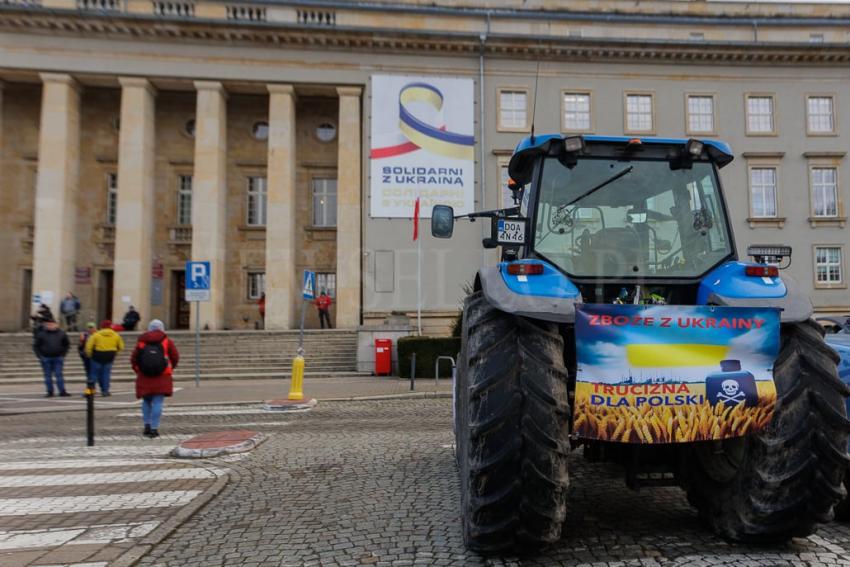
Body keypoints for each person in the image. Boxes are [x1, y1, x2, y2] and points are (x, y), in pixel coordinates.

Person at [131, 319, 179, 438]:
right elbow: (175, 356)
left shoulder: (142, 342)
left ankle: (147, 425)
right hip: (162, 375)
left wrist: (138, 370)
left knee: (146, 401)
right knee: (158, 402)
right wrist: (170, 368)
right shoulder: (166, 341)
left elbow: (133, 358)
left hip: (144, 375)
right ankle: (154, 428)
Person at [85, 320, 125, 396]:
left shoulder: (96, 335)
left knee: (93, 375)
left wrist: (90, 355)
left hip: (97, 356)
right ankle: (105, 391)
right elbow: (121, 347)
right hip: (110, 356)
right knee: (106, 374)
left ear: (101, 326)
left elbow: (88, 347)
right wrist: (115, 352)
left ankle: (90, 391)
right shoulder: (116, 335)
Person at [33, 318, 70, 397]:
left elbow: (66, 344)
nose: (50, 326)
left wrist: (63, 355)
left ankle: (62, 391)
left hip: (58, 357)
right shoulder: (41, 334)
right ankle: (50, 391)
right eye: (48, 324)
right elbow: (36, 346)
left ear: (56, 325)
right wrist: (40, 356)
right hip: (46, 358)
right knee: (47, 376)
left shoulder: (62, 333)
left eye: (52, 324)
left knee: (58, 374)